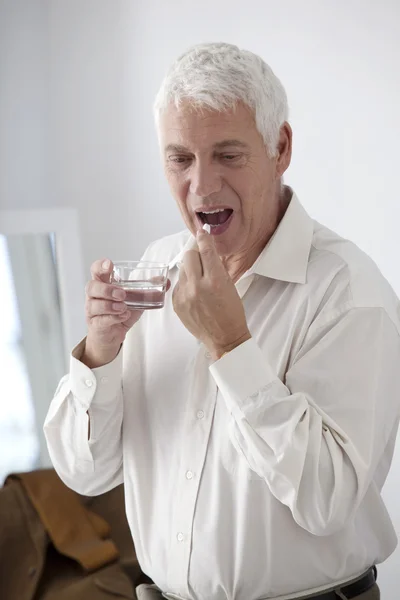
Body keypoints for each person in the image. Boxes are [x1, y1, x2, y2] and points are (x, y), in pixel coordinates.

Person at [44, 43, 400, 600]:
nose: (202, 187)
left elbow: (328, 499)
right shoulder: (155, 271)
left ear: (280, 147)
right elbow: (85, 474)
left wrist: (231, 347)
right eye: (179, 158)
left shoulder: (348, 292)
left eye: (228, 155)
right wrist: (99, 355)